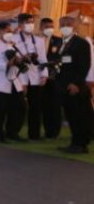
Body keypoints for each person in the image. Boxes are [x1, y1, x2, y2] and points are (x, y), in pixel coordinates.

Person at [0, 21, 27, 143]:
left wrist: (20, 61)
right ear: (0, 31)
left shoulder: (12, 45)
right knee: (1, 109)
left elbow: (18, 62)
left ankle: (12, 132)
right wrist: (6, 64)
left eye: (11, 31)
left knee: (20, 107)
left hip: (14, 81)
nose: (10, 33)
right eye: (7, 31)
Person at [56, 16, 92, 154]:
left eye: (68, 24)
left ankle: (81, 144)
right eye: (63, 24)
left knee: (79, 116)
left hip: (75, 86)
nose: (65, 26)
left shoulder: (81, 43)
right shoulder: (60, 42)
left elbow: (84, 66)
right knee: (70, 115)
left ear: (75, 26)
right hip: (63, 85)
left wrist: (76, 83)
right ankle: (74, 142)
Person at [13, 13, 48, 140]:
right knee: (18, 107)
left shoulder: (39, 40)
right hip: (20, 77)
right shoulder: (13, 39)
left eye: (32, 22)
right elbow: (12, 59)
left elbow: (43, 58)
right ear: (20, 25)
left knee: (36, 107)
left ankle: (34, 135)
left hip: (35, 77)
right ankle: (13, 132)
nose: (30, 25)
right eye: (27, 22)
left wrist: (44, 75)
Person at [40, 17, 64, 139]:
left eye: (51, 26)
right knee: (44, 105)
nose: (49, 29)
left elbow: (65, 58)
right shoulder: (36, 40)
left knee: (55, 105)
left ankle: (54, 132)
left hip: (54, 77)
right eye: (47, 27)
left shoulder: (59, 41)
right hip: (39, 78)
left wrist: (52, 62)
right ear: (41, 28)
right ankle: (46, 131)